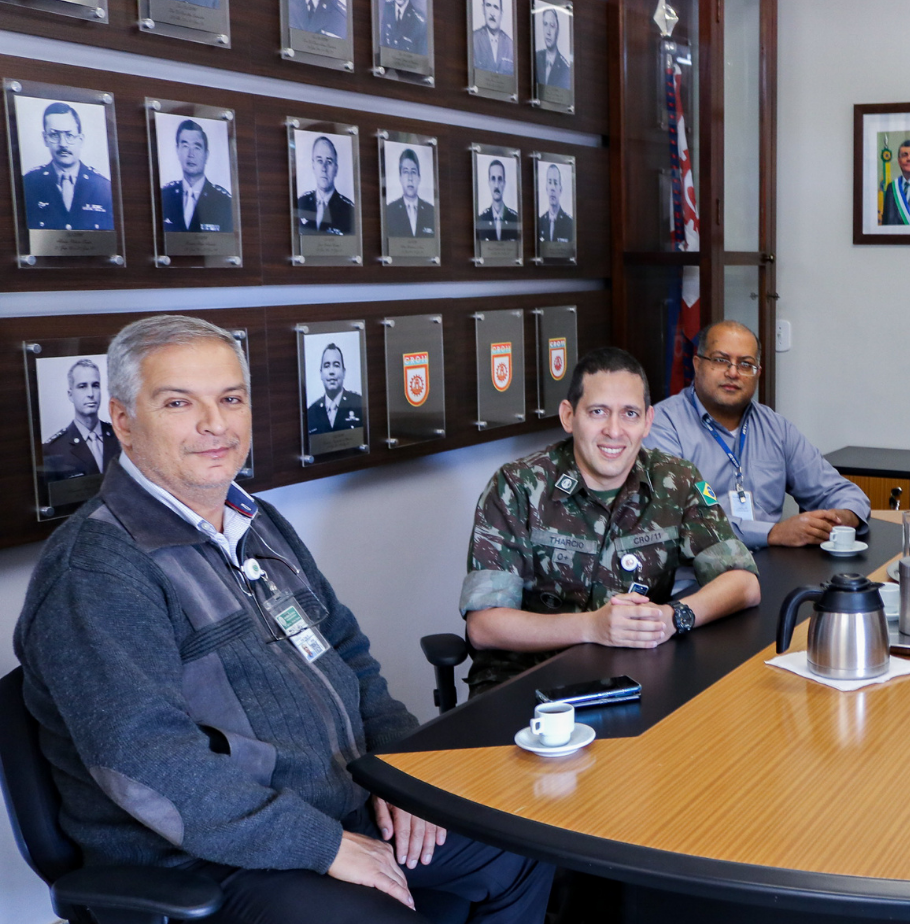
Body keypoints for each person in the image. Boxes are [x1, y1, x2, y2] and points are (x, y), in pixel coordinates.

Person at [13, 315, 556, 924]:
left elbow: (345, 652)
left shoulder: (255, 520)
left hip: (337, 807)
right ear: (123, 420)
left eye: (230, 399)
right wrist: (321, 847)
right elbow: (147, 762)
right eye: (177, 403)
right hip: (212, 862)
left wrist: (403, 778)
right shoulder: (97, 571)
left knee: (523, 848)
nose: (214, 424)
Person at [461, 347, 761, 694]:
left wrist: (674, 617)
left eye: (630, 414)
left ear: (648, 421)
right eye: (598, 412)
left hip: (636, 679)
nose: (614, 431)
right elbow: (484, 626)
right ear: (569, 416)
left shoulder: (676, 480)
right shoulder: (517, 486)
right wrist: (591, 627)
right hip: (527, 686)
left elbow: (743, 583)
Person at [646, 321, 870, 550]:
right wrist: (772, 533)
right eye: (720, 360)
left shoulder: (776, 428)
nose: (732, 372)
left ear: (758, 373)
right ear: (697, 364)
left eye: (745, 364)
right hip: (697, 575)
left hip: (771, 568)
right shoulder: (663, 426)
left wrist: (837, 520)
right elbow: (677, 518)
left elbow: (841, 492)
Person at [21, 101, 115, 232]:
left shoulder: (102, 187)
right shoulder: (28, 184)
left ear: (80, 139)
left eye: (69, 135)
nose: (63, 144)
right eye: (54, 135)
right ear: (45, 138)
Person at [42, 358, 119, 481]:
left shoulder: (119, 435)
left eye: (95, 385)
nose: (90, 393)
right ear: (70, 395)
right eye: (82, 386)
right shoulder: (53, 449)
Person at [160, 119, 234, 234]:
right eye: (185, 146)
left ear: (206, 155)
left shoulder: (224, 202)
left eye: (197, 147)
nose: (191, 154)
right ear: (177, 150)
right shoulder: (164, 197)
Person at [295, 136, 354, 237]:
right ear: (313, 165)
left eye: (329, 162)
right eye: (319, 161)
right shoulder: (301, 203)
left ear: (336, 169)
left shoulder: (349, 210)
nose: (324, 168)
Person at [305, 343, 365, 435]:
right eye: (326, 365)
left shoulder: (359, 403)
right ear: (321, 373)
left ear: (344, 372)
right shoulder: (311, 412)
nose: (331, 371)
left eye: (336, 365)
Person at [382, 148, 437, 239]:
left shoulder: (431, 211)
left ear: (419, 177)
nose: (410, 178)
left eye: (413, 172)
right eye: (406, 172)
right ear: (400, 177)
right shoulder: (390, 210)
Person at [475, 159, 520, 242]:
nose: (496, 185)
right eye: (493, 178)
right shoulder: (481, 219)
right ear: (489, 183)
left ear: (504, 183)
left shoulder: (515, 219)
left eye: (500, 179)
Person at [471, 0, 514, 75]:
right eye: (488, 5)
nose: (492, 13)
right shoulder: (473, 39)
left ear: (501, 13)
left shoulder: (510, 45)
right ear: (483, 9)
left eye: (496, 7)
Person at [534, 8, 571, 89]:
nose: (548, 32)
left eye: (552, 26)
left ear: (557, 30)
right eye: (545, 24)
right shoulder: (535, 58)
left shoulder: (565, 69)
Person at [537, 163, 573, 246]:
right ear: (546, 188)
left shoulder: (569, 223)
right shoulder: (540, 222)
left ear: (560, 189)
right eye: (550, 182)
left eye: (556, 183)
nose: (552, 188)